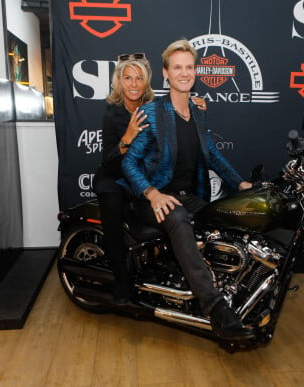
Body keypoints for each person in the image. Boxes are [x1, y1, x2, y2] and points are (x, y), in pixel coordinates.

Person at [121, 39, 253, 339]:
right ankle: (217, 310)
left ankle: (223, 286)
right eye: (177, 67)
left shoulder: (197, 111)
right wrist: (152, 193)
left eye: (189, 67)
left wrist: (240, 183)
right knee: (178, 219)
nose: (184, 73)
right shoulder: (152, 112)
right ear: (166, 74)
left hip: (186, 196)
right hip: (150, 198)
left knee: (223, 217)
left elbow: (212, 154)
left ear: (196, 72)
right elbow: (129, 163)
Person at [93, 52, 207, 305]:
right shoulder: (112, 115)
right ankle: (121, 282)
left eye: (139, 78)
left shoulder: (155, 108)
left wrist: (194, 104)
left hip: (140, 176)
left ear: (147, 82)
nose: (133, 84)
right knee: (113, 212)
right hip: (114, 177)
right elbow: (110, 162)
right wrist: (129, 136)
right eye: (127, 78)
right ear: (119, 82)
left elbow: (179, 110)